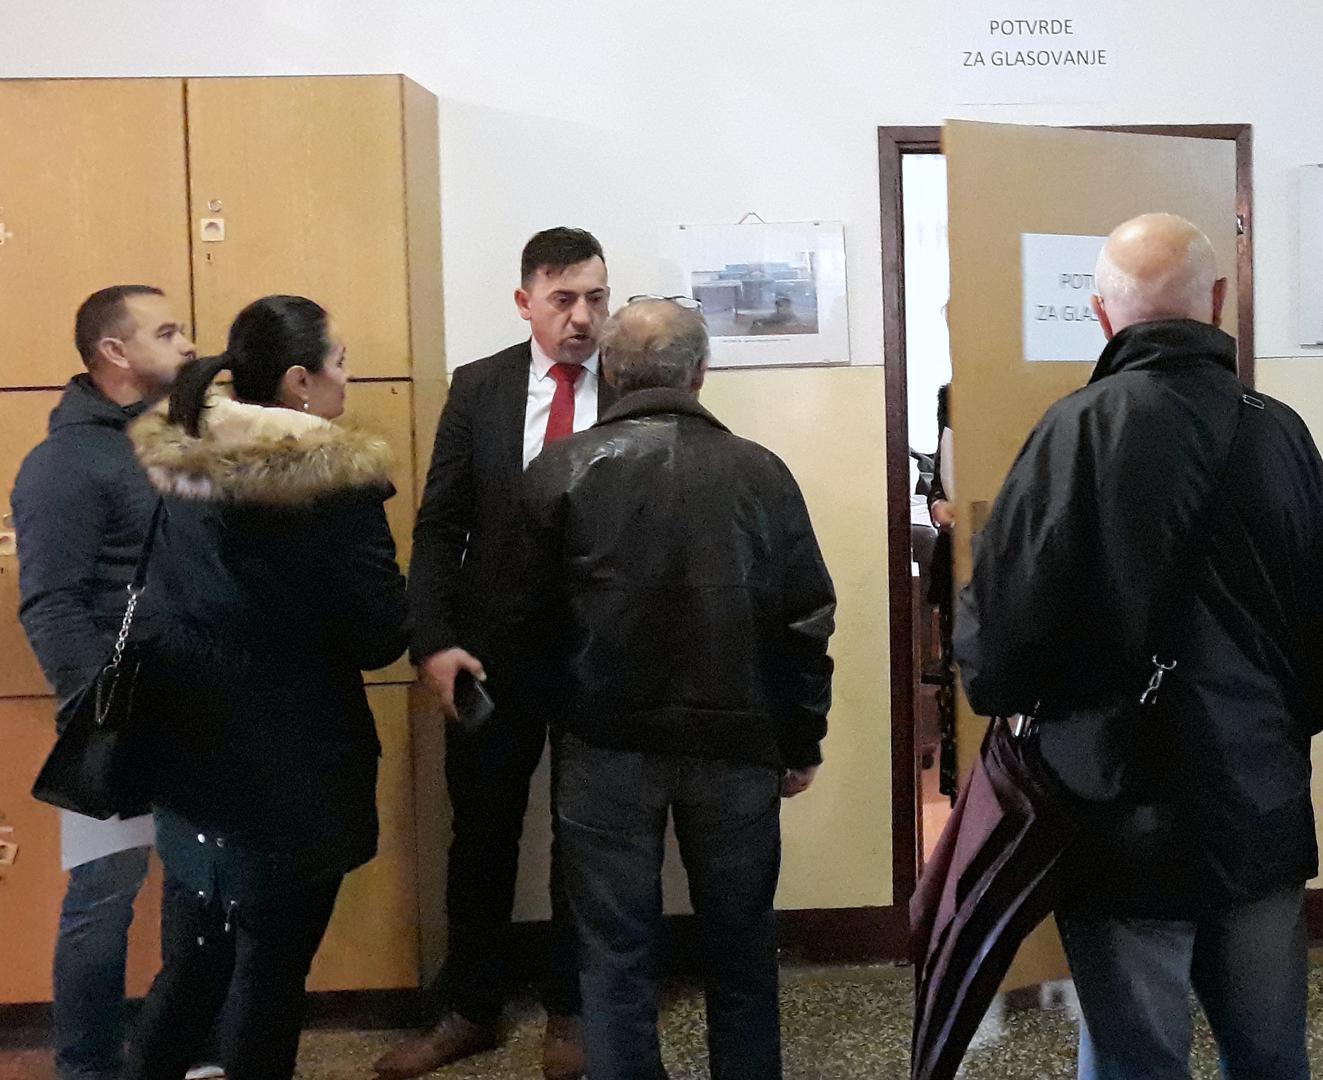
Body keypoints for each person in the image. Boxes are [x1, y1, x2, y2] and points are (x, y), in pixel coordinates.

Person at [955, 213, 1323, 1080]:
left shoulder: (1071, 432)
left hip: (1113, 808)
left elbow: (995, 657)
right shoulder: (1281, 433)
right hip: (1258, 802)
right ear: (1216, 301)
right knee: (1270, 1057)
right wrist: (1264, 734)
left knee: (1134, 1060)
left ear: (1101, 314)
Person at [519, 299, 836, 1078]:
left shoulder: (559, 471)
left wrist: (559, 720)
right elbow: (804, 620)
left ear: (612, 372)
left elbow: (522, 624)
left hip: (603, 746)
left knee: (614, 955)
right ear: (700, 373)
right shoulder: (761, 472)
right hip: (737, 744)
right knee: (742, 947)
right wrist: (801, 739)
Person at [122, 294, 409, 1079]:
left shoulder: (182, 452)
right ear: (298, 382)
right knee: (271, 975)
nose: (348, 378)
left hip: (190, 759)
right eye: (339, 363)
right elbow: (380, 635)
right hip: (291, 772)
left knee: (193, 967)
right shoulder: (335, 484)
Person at [379, 227, 612, 1079]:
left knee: (587, 837)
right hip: (490, 655)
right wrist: (434, 642)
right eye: (563, 299)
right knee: (480, 835)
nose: (581, 317)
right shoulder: (480, 386)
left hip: (597, 653)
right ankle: (471, 1007)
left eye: (595, 298)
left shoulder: (631, 383)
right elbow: (441, 525)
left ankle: (574, 1009)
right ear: (525, 302)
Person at [14, 286, 194, 1080]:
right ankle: (86, 1068)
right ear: (114, 352)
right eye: (168, 331)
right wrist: (99, 721)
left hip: (196, 707)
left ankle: (181, 1051)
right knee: (102, 899)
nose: (188, 344)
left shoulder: (171, 440)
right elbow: (51, 605)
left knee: (197, 892)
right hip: (118, 718)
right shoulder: (63, 464)